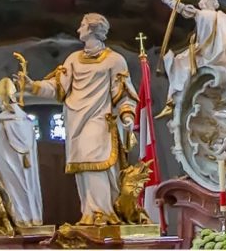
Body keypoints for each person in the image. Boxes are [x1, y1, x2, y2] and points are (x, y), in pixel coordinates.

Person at [17, 13, 139, 226]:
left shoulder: (114, 60)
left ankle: (105, 213)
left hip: (99, 119)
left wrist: (127, 115)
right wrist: (31, 86)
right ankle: (90, 214)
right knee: (83, 168)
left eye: (82, 25)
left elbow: (122, 91)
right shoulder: (73, 59)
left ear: (93, 29)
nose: (78, 29)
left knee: (96, 162)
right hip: (75, 120)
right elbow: (58, 87)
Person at [0, 76, 45, 234]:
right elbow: (29, 146)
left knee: (14, 191)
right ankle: (33, 218)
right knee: (29, 188)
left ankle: (20, 219)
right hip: (26, 164)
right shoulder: (26, 120)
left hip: (10, 165)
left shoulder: (1, 119)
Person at [156, 0, 226, 88]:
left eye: (202, 4)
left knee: (179, 62)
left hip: (204, 55)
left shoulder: (202, 14)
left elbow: (181, 8)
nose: (201, 5)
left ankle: (178, 91)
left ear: (206, 4)